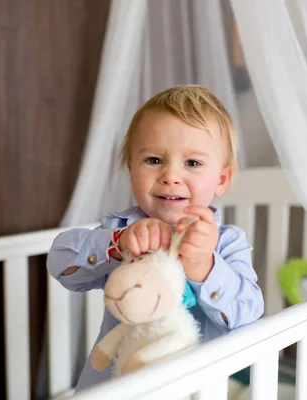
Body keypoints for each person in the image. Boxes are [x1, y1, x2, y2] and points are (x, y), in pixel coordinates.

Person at [46, 84, 264, 392]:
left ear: (221, 179)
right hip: (118, 385)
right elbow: (60, 263)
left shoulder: (227, 243)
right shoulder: (122, 229)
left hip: (194, 390)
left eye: (192, 163)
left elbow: (248, 316)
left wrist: (205, 266)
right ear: (131, 165)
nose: (170, 176)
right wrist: (117, 244)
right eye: (153, 160)